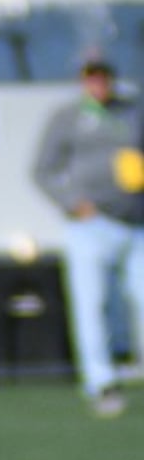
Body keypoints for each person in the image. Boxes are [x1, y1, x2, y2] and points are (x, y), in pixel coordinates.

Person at [32, 52, 144, 415]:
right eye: (91, 77)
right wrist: (72, 202)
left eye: (103, 77)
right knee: (92, 303)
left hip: (136, 220)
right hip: (92, 224)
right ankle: (101, 381)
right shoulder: (68, 118)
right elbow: (43, 170)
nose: (98, 84)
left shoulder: (131, 111)